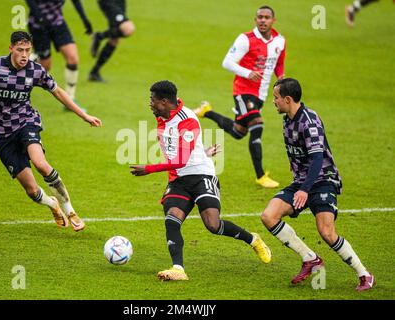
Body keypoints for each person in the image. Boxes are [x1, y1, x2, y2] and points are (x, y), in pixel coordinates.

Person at [130, 80, 271, 281]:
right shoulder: (162, 117)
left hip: (201, 175)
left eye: (152, 100)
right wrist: (202, 151)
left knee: (213, 225)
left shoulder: (187, 119)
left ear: (164, 101)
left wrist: (149, 169)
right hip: (178, 179)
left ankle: (253, 239)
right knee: (172, 218)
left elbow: (182, 159)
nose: (150, 103)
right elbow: (179, 150)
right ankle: (178, 269)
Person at [0, 31, 102, 232]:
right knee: (32, 190)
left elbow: (58, 92)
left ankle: (70, 210)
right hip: (1, 132)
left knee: (40, 163)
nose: (24, 55)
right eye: (20, 50)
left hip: (26, 122)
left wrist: (84, 116)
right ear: (11, 49)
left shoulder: (35, 71)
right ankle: (52, 204)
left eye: (28, 50)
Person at [260, 78, 374, 291]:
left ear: (287, 99)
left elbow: (317, 158)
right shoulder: (287, 119)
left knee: (327, 231)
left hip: (322, 180)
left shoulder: (309, 122)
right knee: (269, 216)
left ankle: (365, 274)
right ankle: (309, 258)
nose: (273, 102)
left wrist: (304, 189)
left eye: (275, 98)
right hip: (302, 181)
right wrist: (299, 181)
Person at [193, 6, 285, 189]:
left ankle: (207, 112)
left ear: (273, 20)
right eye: (260, 17)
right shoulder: (245, 39)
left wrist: (281, 80)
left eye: (267, 17)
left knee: (238, 132)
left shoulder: (280, 41)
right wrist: (248, 73)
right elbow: (227, 62)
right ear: (255, 19)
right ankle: (260, 175)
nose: (263, 20)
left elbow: (279, 63)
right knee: (257, 125)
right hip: (243, 90)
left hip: (261, 93)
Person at [26, 0, 92, 102]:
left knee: (73, 59)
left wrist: (84, 18)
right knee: (45, 66)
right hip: (38, 26)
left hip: (58, 23)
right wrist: (40, 18)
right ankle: (19, 77)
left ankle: (70, 98)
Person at [88, 0, 135, 82]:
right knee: (128, 29)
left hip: (119, 2)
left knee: (114, 39)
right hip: (110, 2)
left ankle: (94, 72)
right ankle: (100, 36)